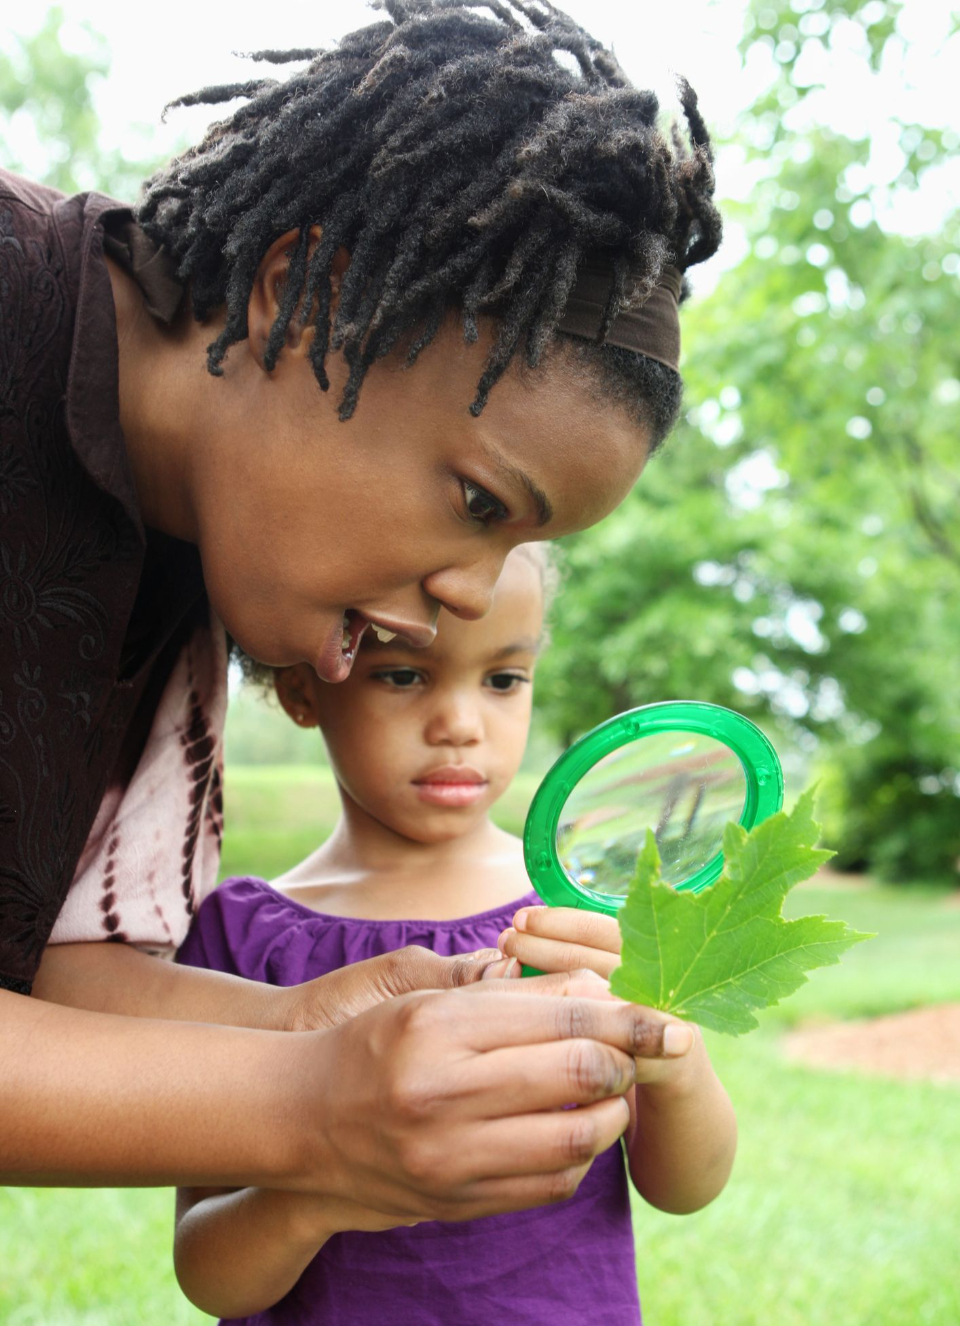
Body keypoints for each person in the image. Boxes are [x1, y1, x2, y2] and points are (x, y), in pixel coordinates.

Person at [0, 0, 722, 1222]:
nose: (468, 599)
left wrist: (315, 1028)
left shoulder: (204, 552)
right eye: (480, 502)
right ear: (309, 302)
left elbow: (64, 986)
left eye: (518, 552)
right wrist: (311, 1105)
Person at [173, 544, 736, 1326]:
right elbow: (211, 1270)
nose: (461, 724)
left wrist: (673, 1058)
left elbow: (686, 1186)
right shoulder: (241, 941)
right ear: (302, 688)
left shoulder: (585, 921)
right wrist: (323, 1187)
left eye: (504, 679)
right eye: (404, 675)